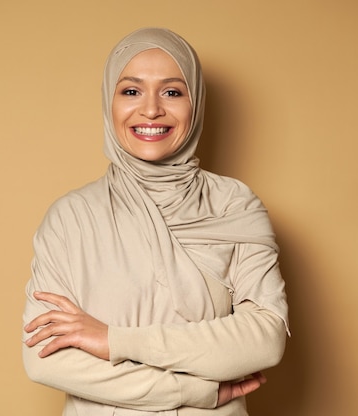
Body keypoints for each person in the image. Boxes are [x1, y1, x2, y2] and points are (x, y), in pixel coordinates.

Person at [22, 27, 289, 415]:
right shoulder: (70, 218)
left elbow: (264, 340)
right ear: (108, 101)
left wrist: (114, 341)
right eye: (131, 91)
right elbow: (45, 359)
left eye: (172, 91)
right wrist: (195, 391)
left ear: (194, 103)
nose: (151, 110)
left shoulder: (234, 205)